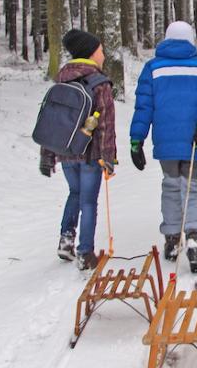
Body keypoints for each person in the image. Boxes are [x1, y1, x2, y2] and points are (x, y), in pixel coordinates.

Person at [129, 21, 197, 273]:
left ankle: (172, 238)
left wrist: (136, 139)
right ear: (191, 40)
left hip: (166, 142)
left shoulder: (152, 69)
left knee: (171, 186)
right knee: (195, 188)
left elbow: (144, 107)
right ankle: (194, 237)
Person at [39, 29, 117, 270]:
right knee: (88, 201)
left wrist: (47, 156)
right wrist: (108, 157)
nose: (103, 56)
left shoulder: (61, 80)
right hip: (90, 153)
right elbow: (105, 123)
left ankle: (66, 239)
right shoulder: (99, 83)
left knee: (74, 193)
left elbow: (50, 120)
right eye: (101, 51)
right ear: (91, 53)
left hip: (65, 151)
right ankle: (85, 252)